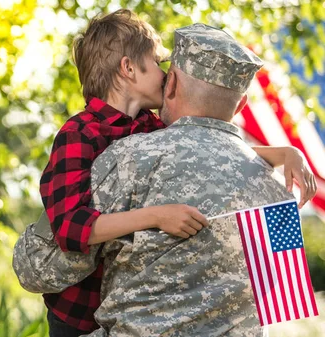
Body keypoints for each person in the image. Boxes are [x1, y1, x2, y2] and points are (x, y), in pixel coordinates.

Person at [26, 9, 317, 337]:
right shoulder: (81, 133)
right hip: (77, 315)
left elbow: (208, 150)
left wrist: (285, 152)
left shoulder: (139, 144)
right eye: (158, 63)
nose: (164, 76)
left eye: (167, 69)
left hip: (105, 310)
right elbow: (277, 299)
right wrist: (156, 217)